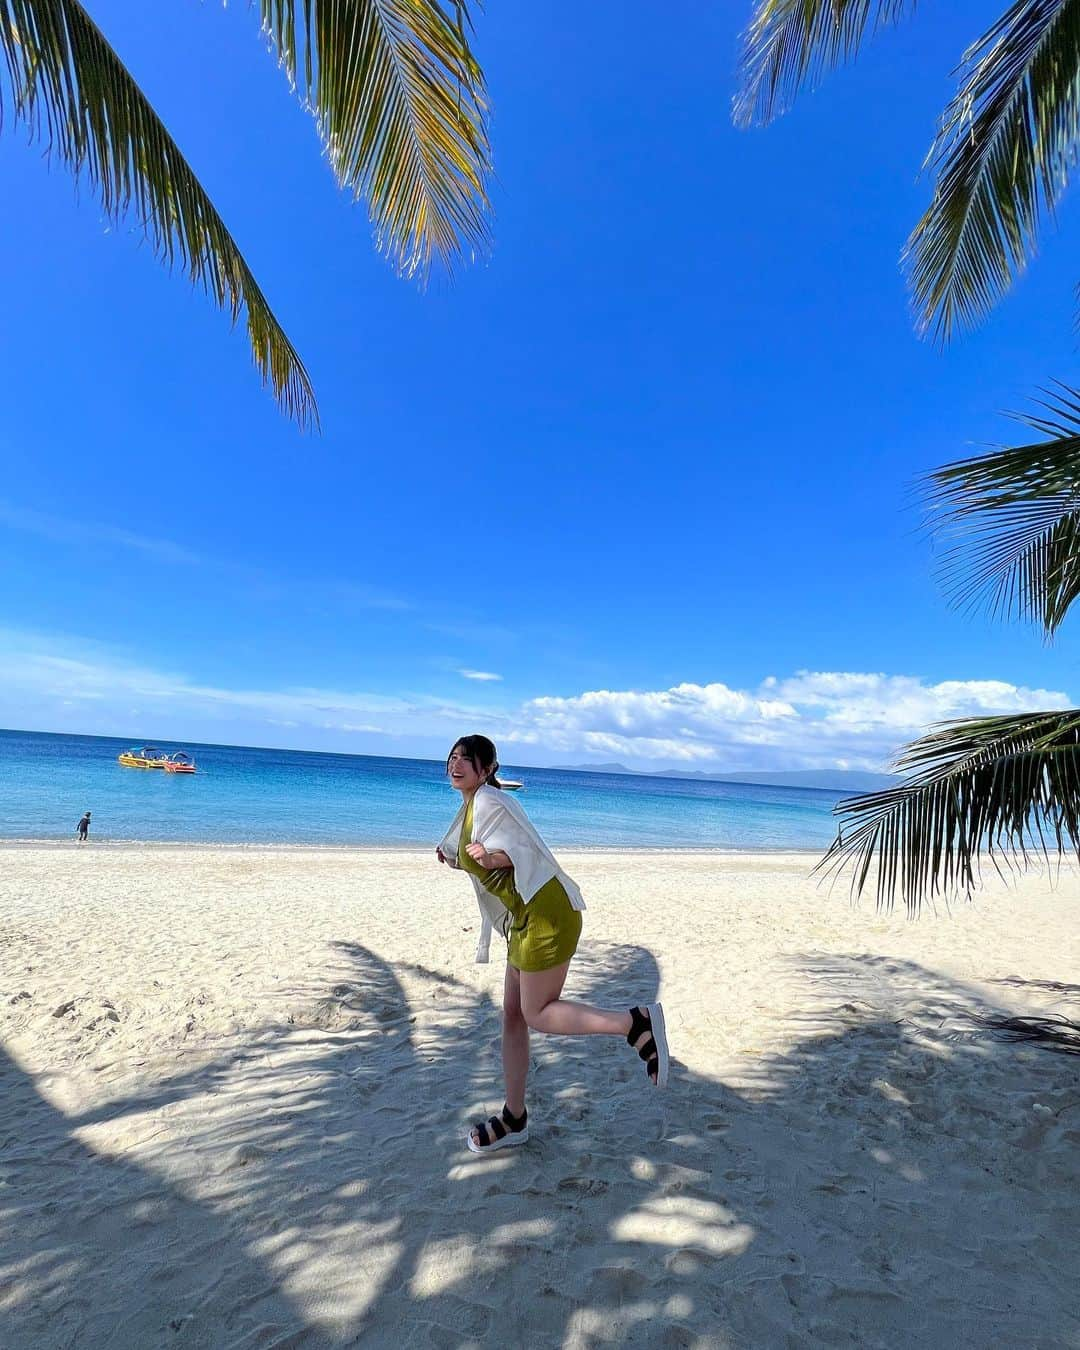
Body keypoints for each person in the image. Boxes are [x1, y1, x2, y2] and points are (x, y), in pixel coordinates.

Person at [436, 734, 669, 1154]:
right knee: (512, 1015)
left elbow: (518, 849)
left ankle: (633, 1024)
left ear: (487, 769)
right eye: (452, 757)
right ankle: (515, 1117)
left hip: (546, 915)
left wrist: (491, 859)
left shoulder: (489, 802)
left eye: (466, 760)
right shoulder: (476, 803)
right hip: (527, 916)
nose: (456, 765)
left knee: (536, 1013)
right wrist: (461, 859)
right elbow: (495, 847)